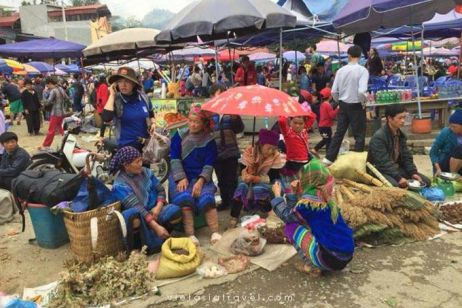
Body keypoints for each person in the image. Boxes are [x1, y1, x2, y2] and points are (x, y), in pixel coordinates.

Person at [271, 159, 354, 275]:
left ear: (308, 179)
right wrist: (293, 193)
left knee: (290, 227)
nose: (300, 180)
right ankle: (320, 258)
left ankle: (311, 266)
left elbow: (287, 216)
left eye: (302, 177)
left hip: (331, 260)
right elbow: (297, 212)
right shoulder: (327, 196)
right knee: (307, 223)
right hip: (346, 256)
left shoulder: (309, 203)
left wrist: (277, 195)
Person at [111, 146, 182, 254]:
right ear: (126, 165)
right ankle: (140, 246)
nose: (141, 164)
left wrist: (158, 208)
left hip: (154, 211)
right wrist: (156, 226)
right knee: (132, 218)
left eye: (141, 160)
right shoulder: (120, 185)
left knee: (175, 212)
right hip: (140, 216)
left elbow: (161, 190)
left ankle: (164, 234)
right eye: (137, 162)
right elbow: (137, 207)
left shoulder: (146, 172)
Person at [169, 104, 221, 245]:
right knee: (185, 198)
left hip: (201, 177)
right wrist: (181, 177)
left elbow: (209, 163)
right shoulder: (179, 136)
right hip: (181, 176)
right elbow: (174, 158)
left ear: (204, 123)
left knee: (208, 199)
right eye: (190, 121)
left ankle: (215, 232)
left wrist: (200, 181)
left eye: (196, 121)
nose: (193, 124)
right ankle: (191, 235)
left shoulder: (209, 140)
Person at [229, 129, 285, 228]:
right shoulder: (250, 151)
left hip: (267, 181)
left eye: (274, 148)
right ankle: (234, 216)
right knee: (241, 186)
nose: (271, 151)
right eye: (269, 148)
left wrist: (256, 178)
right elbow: (242, 171)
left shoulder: (275, 156)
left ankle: (271, 214)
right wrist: (250, 167)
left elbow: (273, 177)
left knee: (258, 189)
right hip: (249, 179)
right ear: (261, 144)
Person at [323, 45, 369, 165]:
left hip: (343, 105)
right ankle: (357, 161)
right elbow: (361, 91)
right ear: (360, 56)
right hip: (356, 105)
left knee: (339, 133)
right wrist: (363, 102)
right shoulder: (362, 70)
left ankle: (328, 159)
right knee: (359, 135)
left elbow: (333, 91)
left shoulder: (340, 70)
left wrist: (339, 102)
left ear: (348, 55)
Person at [368, 104, 431, 188]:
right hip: (379, 170)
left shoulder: (401, 135)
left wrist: (413, 172)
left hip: (396, 169)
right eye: (400, 118)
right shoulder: (379, 137)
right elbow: (383, 163)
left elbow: (406, 156)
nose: (403, 121)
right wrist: (398, 178)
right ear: (389, 118)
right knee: (395, 185)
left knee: (426, 182)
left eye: (404, 117)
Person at [102, 67, 156, 151]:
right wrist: (112, 95)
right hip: (126, 148)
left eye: (127, 81)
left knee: (144, 165)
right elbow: (106, 118)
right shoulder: (116, 100)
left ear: (134, 83)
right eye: (120, 81)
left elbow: (151, 113)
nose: (123, 85)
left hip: (145, 146)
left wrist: (153, 123)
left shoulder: (144, 98)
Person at [209, 85, 244, 211]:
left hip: (231, 151)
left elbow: (239, 129)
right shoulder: (209, 112)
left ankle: (235, 203)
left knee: (232, 179)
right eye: (219, 94)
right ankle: (225, 201)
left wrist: (236, 119)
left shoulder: (231, 111)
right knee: (221, 179)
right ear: (212, 96)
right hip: (216, 151)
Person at [278, 110, 316, 190]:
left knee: (304, 183)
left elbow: (313, 116)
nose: (298, 126)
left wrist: (300, 109)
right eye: (295, 123)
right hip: (293, 163)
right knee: (293, 184)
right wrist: (288, 112)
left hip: (305, 161)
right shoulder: (288, 133)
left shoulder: (304, 130)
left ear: (304, 124)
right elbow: (281, 121)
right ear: (290, 122)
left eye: (300, 123)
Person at [430, 109, 462, 175]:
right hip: (445, 164)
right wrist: (438, 168)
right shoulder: (446, 132)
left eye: (454, 127)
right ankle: (452, 175)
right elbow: (433, 152)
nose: (451, 128)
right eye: (450, 125)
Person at [39, 77, 67, 150]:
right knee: (60, 128)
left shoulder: (53, 91)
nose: (47, 87)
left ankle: (46, 145)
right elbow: (67, 98)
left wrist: (44, 95)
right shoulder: (61, 89)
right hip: (62, 111)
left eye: (48, 85)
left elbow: (48, 102)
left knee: (51, 130)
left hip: (55, 112)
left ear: (50, 83)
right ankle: (65, 142)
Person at [313, 88, 339, 155]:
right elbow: (332, 115)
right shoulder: (328, 105)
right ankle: (325, 153)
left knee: (327, 140)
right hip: (326, 126)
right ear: (330, 96)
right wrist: (337, 109)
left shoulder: (322, 104)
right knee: (328, 140)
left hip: (322, 126)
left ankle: (316, 149)